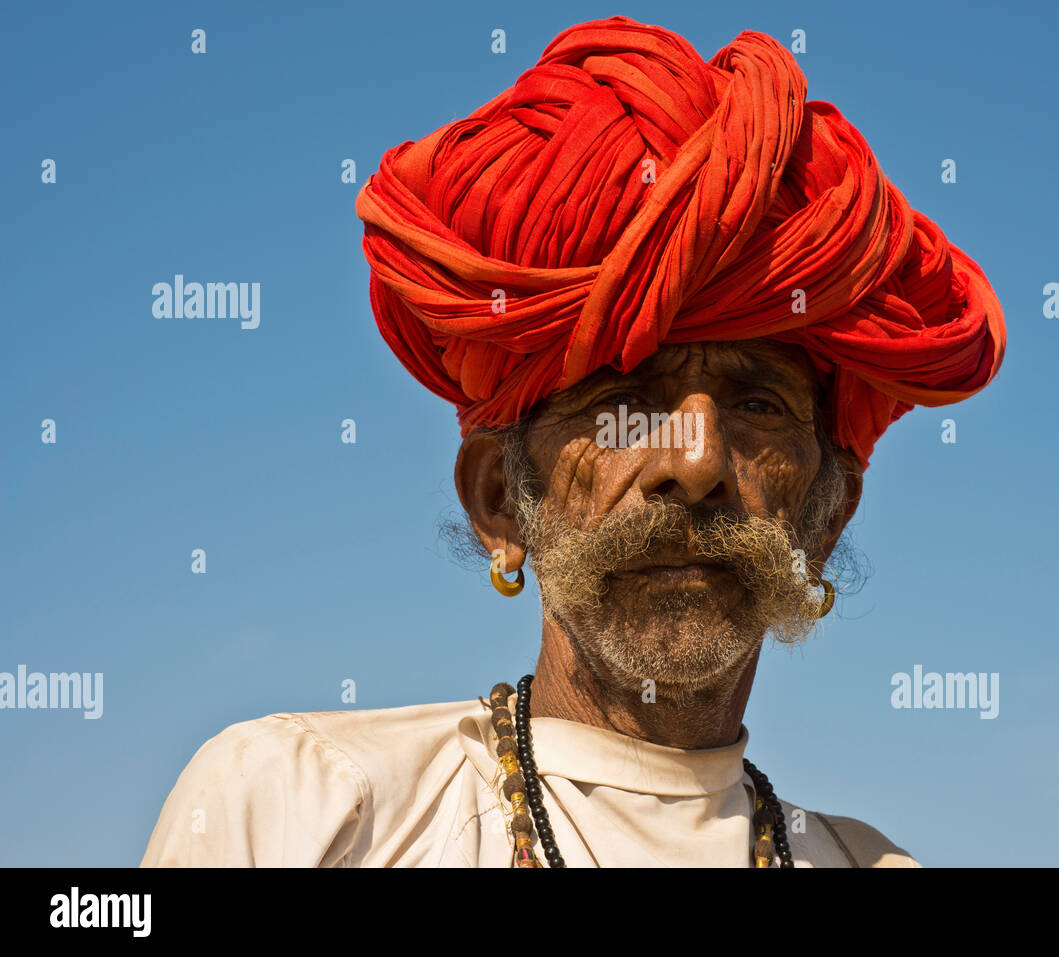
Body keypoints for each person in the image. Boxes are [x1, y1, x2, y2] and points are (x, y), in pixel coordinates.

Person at [141, 15, 1005, 868]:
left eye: (758, 405)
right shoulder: (312, 813)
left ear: (827, 519)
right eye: (622, 399)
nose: (695, 463)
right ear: (498, 502)